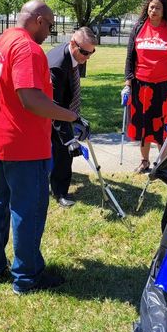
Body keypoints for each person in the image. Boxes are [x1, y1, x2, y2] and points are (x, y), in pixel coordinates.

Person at [0, 0, 90, 295]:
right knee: (28, 211)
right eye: (51, 25)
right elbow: (31, 99)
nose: (50, 33)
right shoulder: (28, 49)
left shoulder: (0, 43)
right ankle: (27, 276)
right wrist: (72, 116)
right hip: (24, 145)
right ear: (39, 20)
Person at [124, 0, 167, 173]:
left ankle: (161, 163)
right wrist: (128, 84)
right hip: (141, 86)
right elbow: (130, 58)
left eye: (157, 8)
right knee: (144, 125)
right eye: (151, 7)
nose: (153, 10)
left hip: (165, 87)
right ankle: (144, 161)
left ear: (164, 10)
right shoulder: (138, 27)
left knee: (163, 126)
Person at [46, 27, 98, 208]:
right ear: (72, 43)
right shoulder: (59, 66)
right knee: (63, 151)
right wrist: (69, 140)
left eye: (91, 53)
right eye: (84, 52)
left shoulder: (73, 57)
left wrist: (76, 118)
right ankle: (60, 192)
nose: (87, 57)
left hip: (63, 109)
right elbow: (55, 107)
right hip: (50, 111)